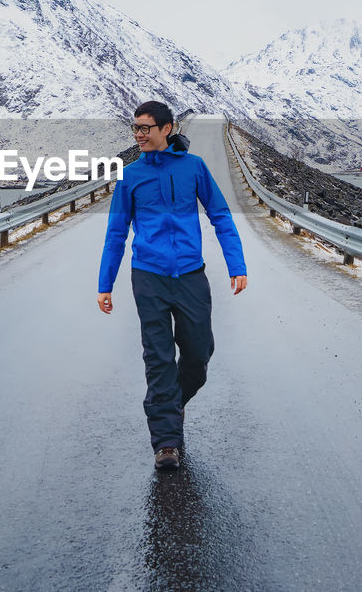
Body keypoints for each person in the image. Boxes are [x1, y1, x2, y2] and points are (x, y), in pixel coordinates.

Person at [97, 101, 248, 470]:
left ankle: (169, 405)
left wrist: (236, 264)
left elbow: (221, 216)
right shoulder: (130, 176)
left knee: (198, 355)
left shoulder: (193, 168)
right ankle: (167, 441)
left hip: (191, 275)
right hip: (148, 276)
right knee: (159, 358)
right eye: (135, 128)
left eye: (145, 128)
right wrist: (106, 284)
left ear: (167, 129)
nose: (138, 134)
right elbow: (116, 233)